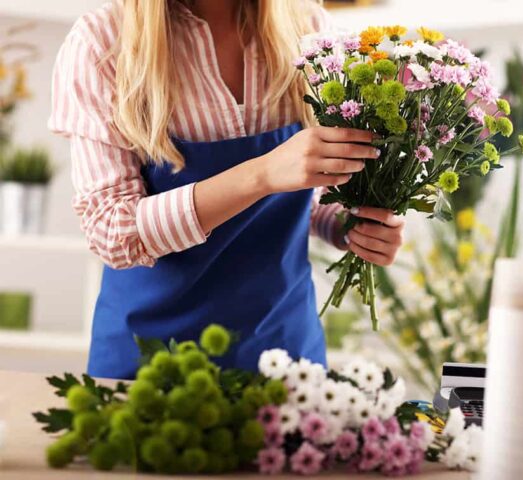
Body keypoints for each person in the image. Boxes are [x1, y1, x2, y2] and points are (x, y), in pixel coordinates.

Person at [49, 0, 405, 379]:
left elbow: (310, 196)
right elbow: (112, 232)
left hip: (283, 357)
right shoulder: (103, 43)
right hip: (151, 364)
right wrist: (262, 174)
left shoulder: (312, 29)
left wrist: (347, 225)